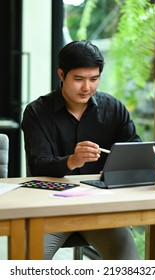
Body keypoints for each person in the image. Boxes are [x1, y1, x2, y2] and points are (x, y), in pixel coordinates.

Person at [21, 40, 141, 260]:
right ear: (61, 74)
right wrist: (71, 161)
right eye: (78, 79)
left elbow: (133, 148)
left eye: (94, 79)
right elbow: (37, 164)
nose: (87, 87)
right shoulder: (36, 112)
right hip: (50, 209)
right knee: (29, 261)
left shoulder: (113, 108)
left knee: (128, 261)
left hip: (100, 208)